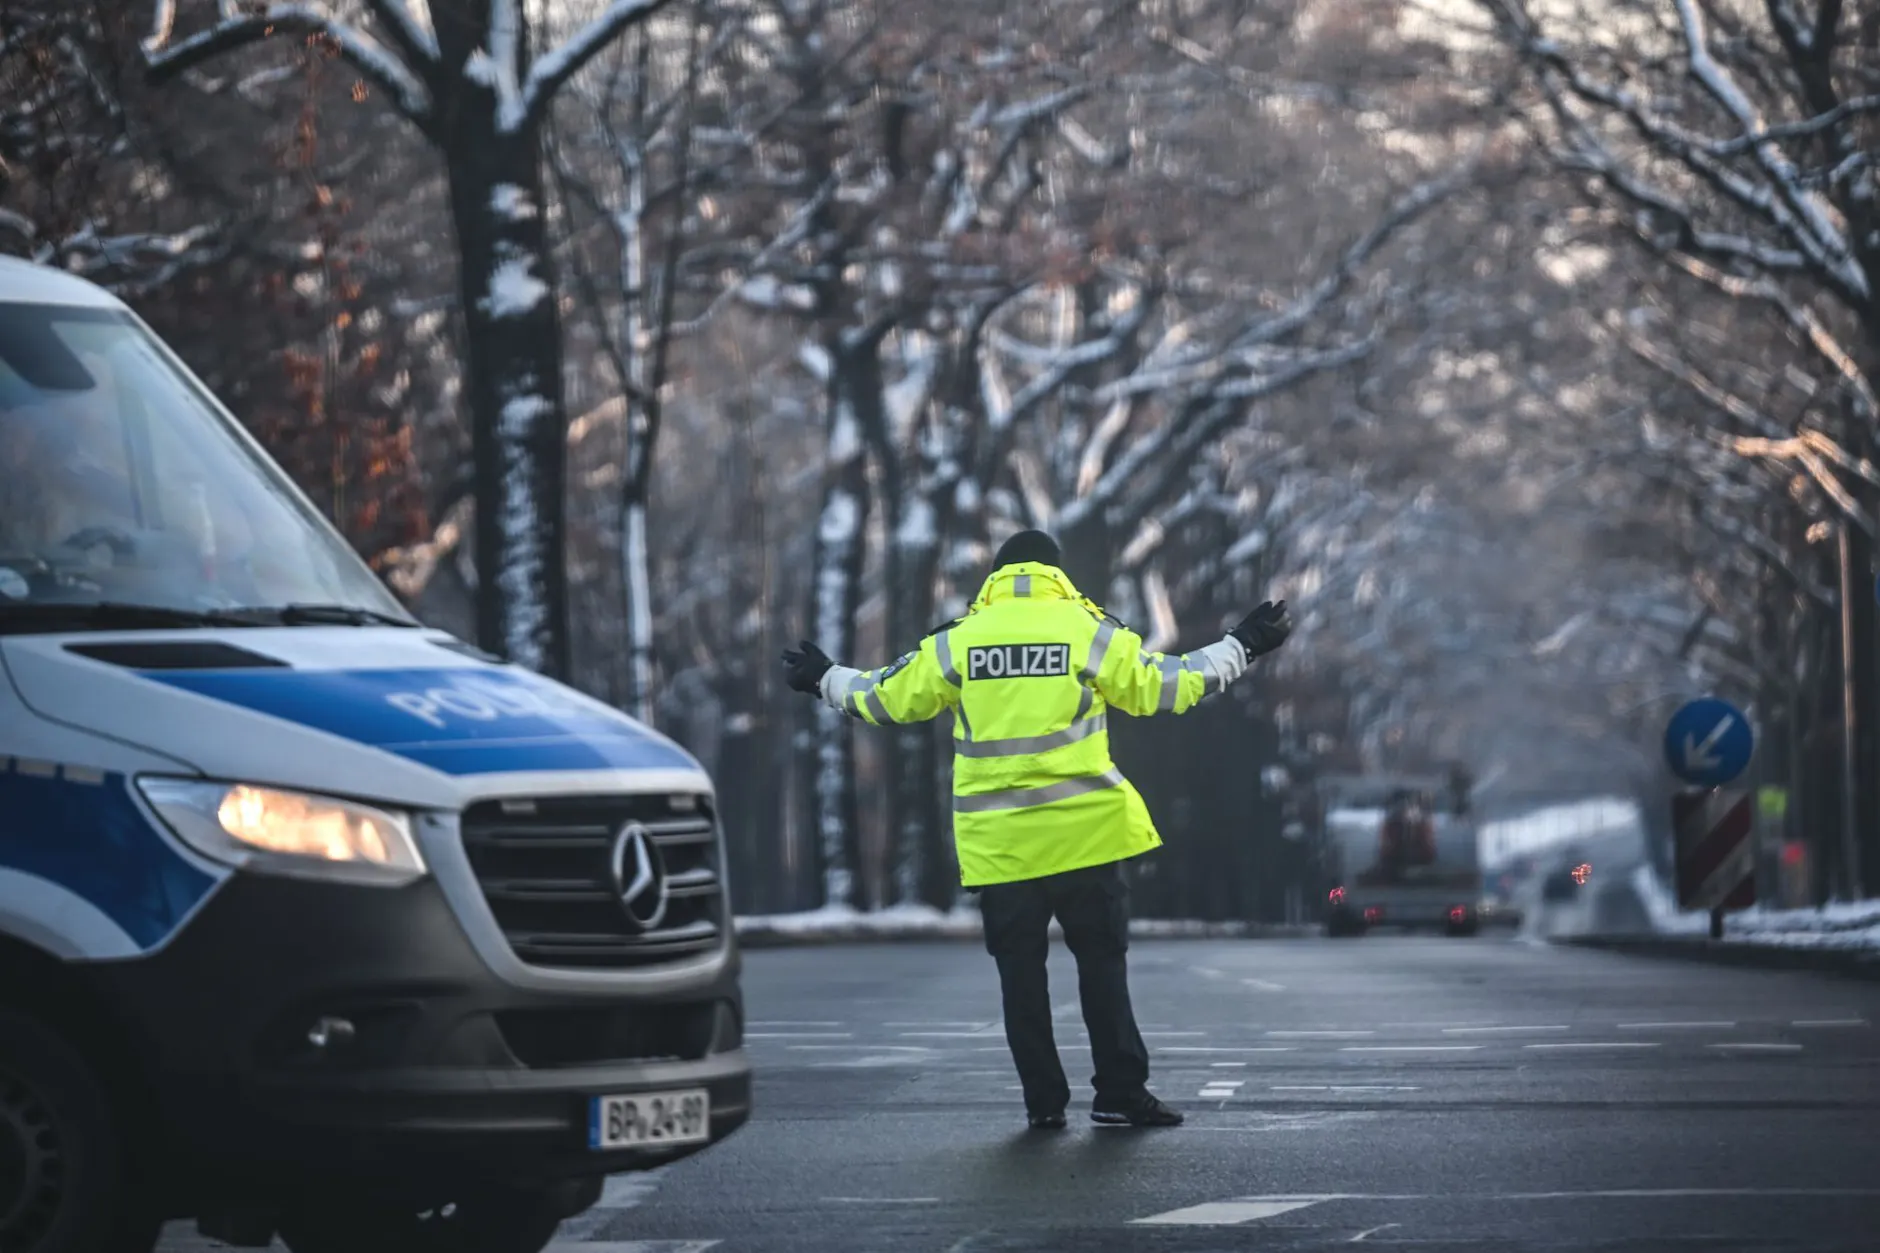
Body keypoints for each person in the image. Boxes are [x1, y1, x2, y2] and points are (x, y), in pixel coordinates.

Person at [780, 529, 1292, 1130]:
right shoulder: (1086, 631)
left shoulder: (960, 640)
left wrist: (824, 677)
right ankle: (1120, 1093)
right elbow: (1168, 686)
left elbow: (886, 698)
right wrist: (1242, 645)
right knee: (1102, 968)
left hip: (1000, 846)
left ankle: (1043, 1104)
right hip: (1086, 836)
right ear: (1056, 574)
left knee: (1020, 979)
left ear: (996, 577)